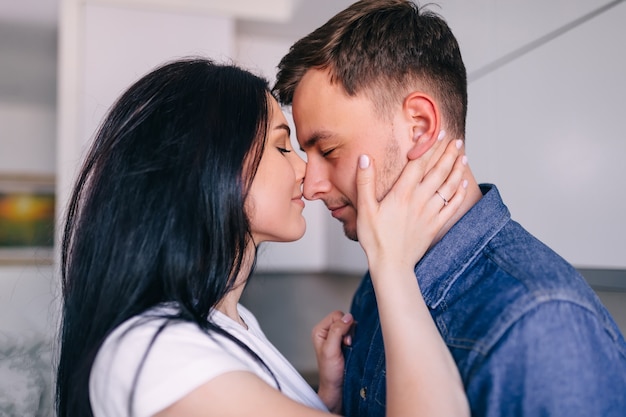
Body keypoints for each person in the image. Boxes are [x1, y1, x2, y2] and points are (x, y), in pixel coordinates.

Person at [54, 57, 471, 417]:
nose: (306, 174)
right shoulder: (155, 353)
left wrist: (321, 399)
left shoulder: (232, 322)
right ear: (211, 165)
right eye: (282, 146)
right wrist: (393, 266)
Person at [272, 1, 626, 416]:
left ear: (419, 126)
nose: (311, 186)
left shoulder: (542, 323)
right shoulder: (381, 278)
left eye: (328, 150)